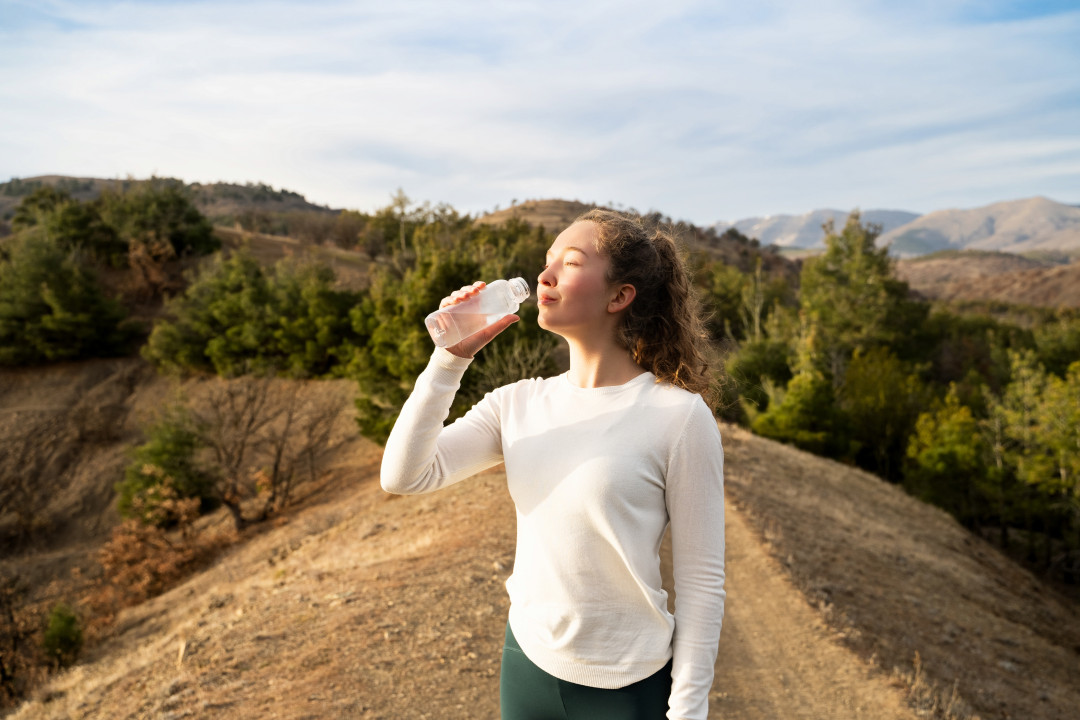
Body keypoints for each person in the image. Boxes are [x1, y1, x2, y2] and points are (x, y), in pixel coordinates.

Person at [380, 208, 725, 720]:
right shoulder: (515, 404)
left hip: (629, 683)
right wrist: (448, 360)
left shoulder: (677, 416)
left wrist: (689, 712)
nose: (545, 276)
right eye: (546, 262)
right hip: (528, 665)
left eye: (570, 262)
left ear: (619, 295)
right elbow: (405, 475)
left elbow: (701, 581)